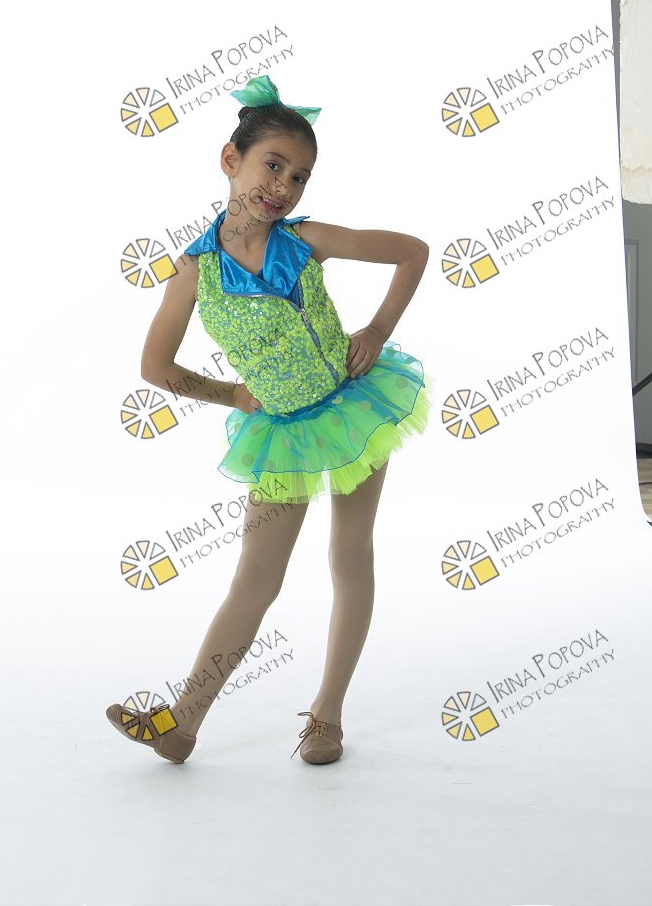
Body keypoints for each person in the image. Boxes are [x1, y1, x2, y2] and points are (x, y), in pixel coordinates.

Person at [106, 74, 433, 765]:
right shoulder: (194, 271)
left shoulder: (306, 240)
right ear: (232, 160)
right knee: (255, 580)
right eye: (273, 165)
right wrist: (234, 396)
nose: (283, 186)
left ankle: (326, 716)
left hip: (352, 411)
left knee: (349, 556)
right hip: (282, 435)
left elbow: (412, 251)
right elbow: (156, 368)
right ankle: (182, 724)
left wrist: (376, 330)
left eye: (299, 176)